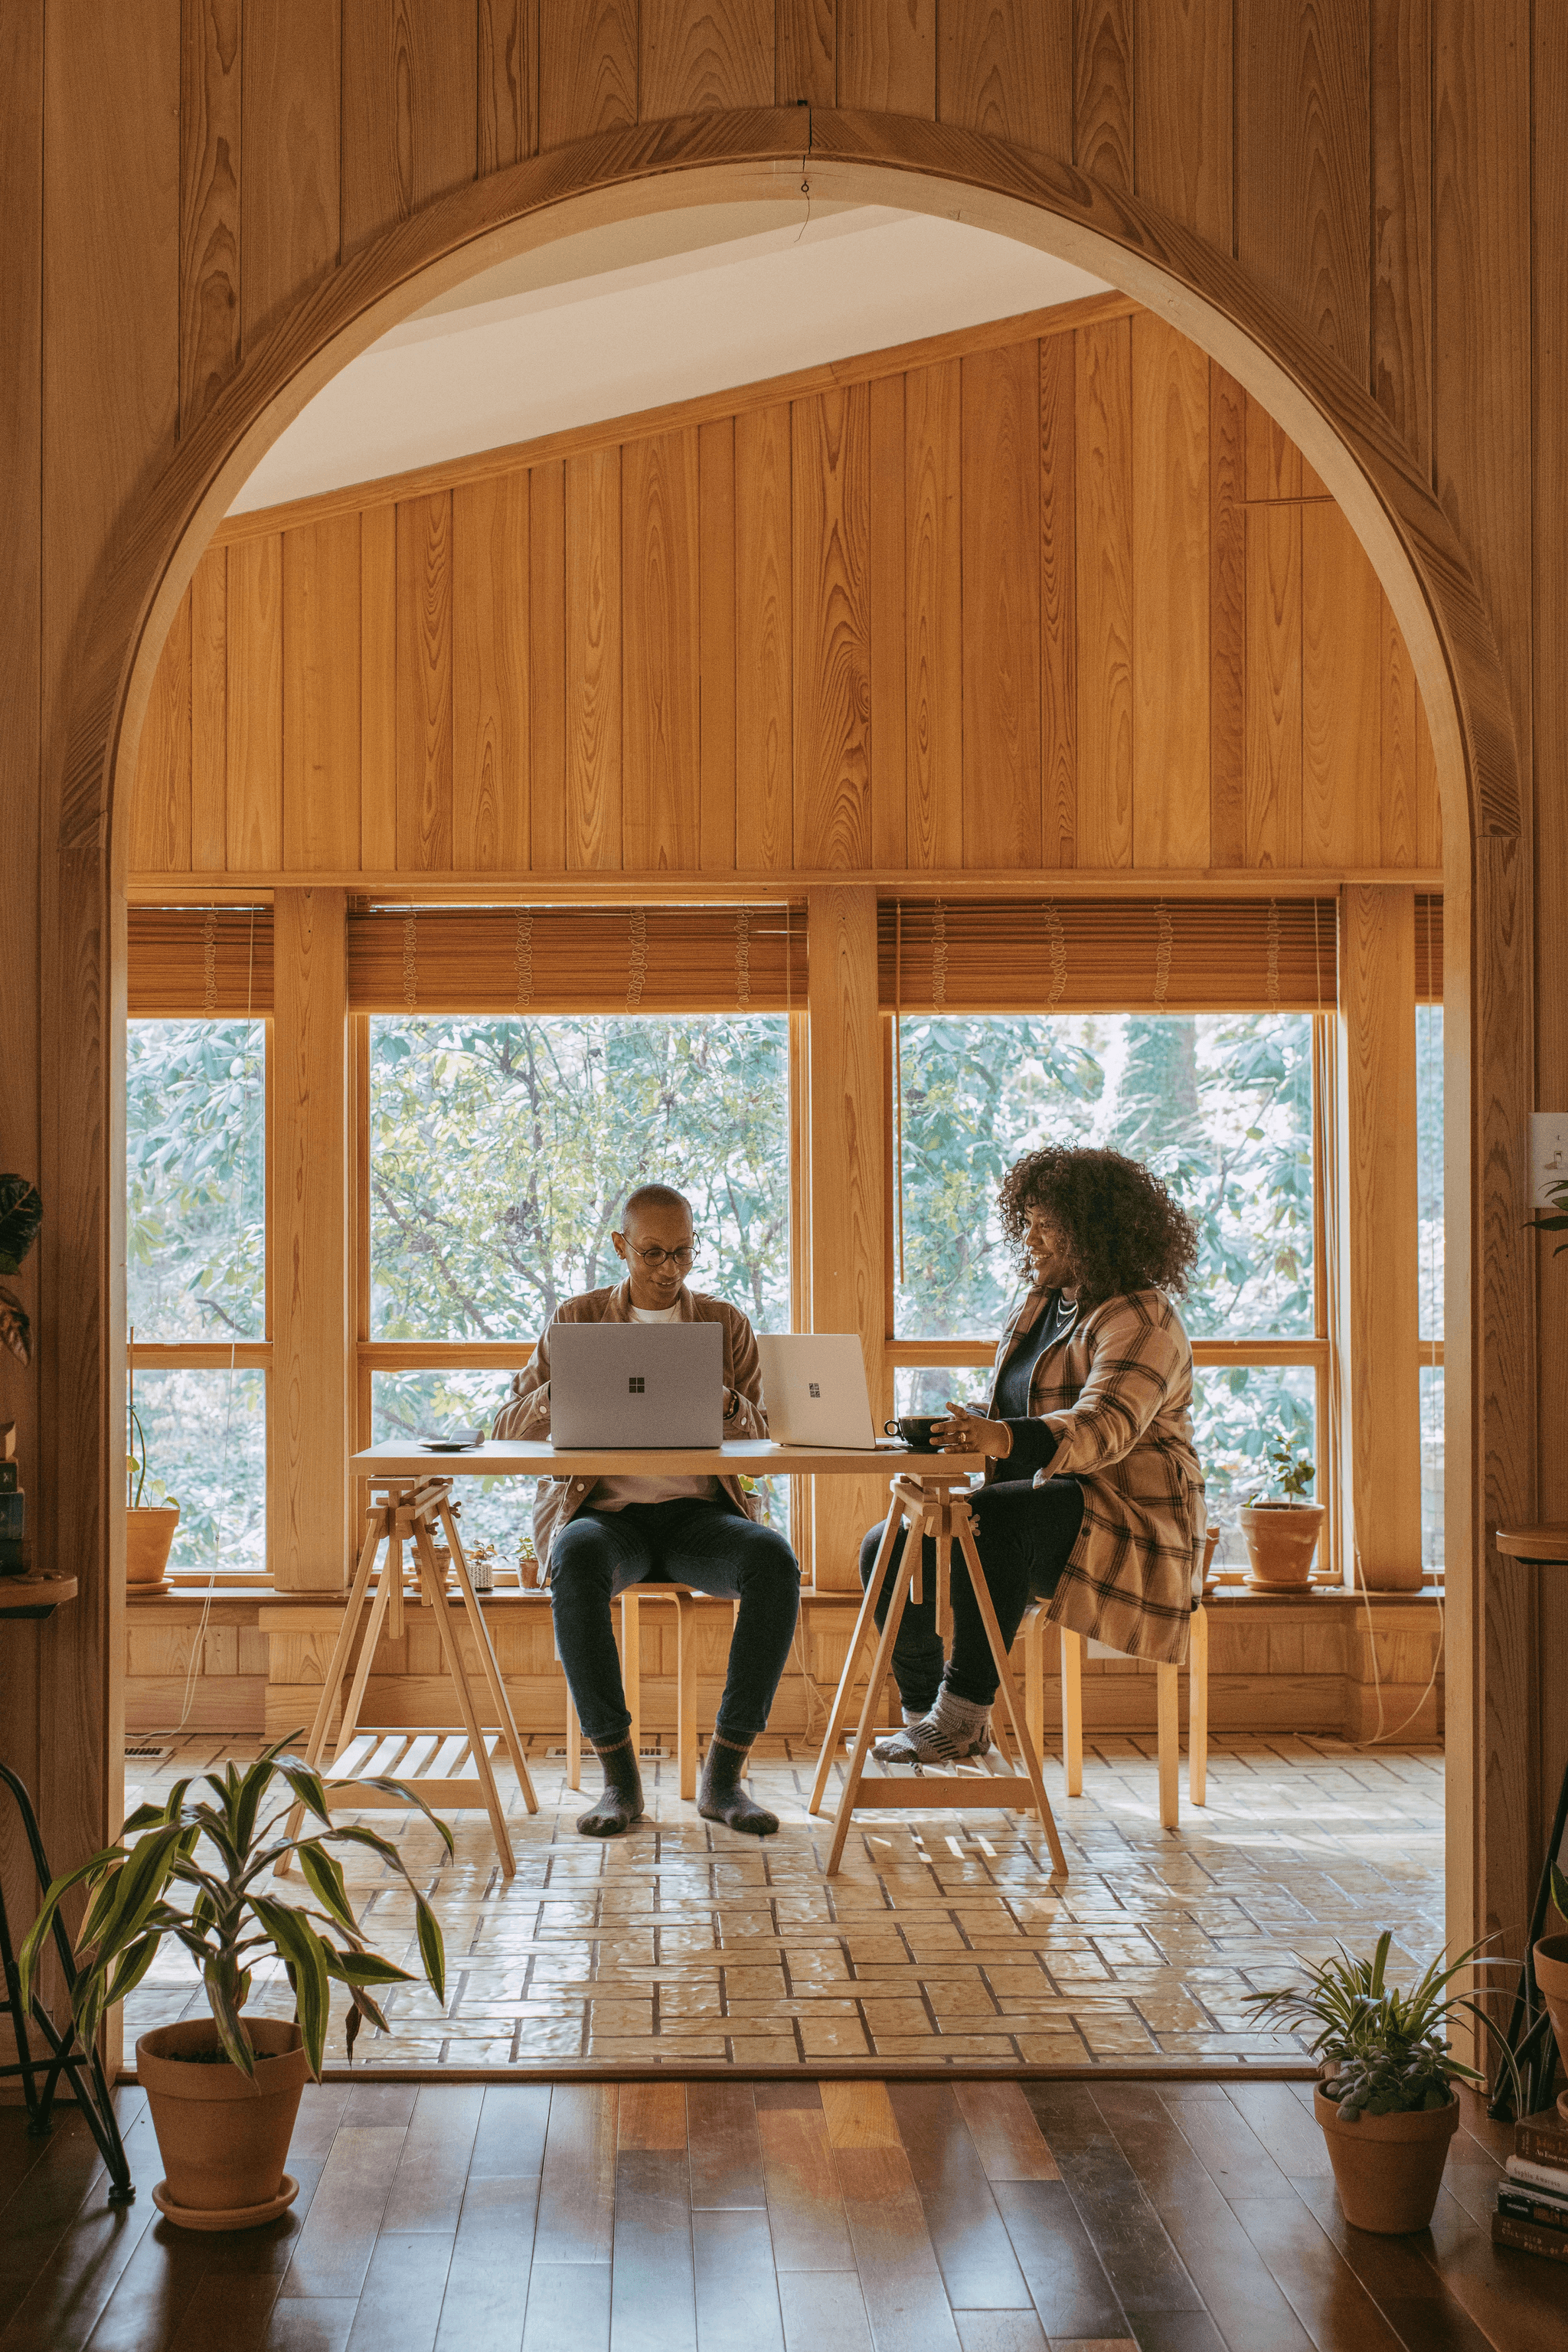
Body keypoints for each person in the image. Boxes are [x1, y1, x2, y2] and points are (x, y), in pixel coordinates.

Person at [861, 1145, 1206, 1763]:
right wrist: (967, 1429)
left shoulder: (1142, 1317)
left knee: (993, 1517)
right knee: (884, 1547)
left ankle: (964, 1717)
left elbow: (1104, 1427)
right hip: (1043, 1509)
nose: (1031, 1237)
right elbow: (1017, 1413)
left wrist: (1001, 1438)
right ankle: (926, 1713)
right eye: (1027, 1220)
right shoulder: (1043, 1303)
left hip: (1129, 1520)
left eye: (1048, 1223)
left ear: (1096, 1230)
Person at [493, 1183, 800, 1838]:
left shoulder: (724, 1325)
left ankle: (724, 1777)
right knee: (573, 1555)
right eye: (653, 1253)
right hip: (607, 1517)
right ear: (621, 1247)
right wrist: (566, 1385)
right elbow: (504, 1430)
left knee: (773, 1559)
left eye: (685, 1253)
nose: (670, 1270)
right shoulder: (574, 1322)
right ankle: (619, 1781)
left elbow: (766, 1442)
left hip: (698, 1517)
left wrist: (725, 1406)